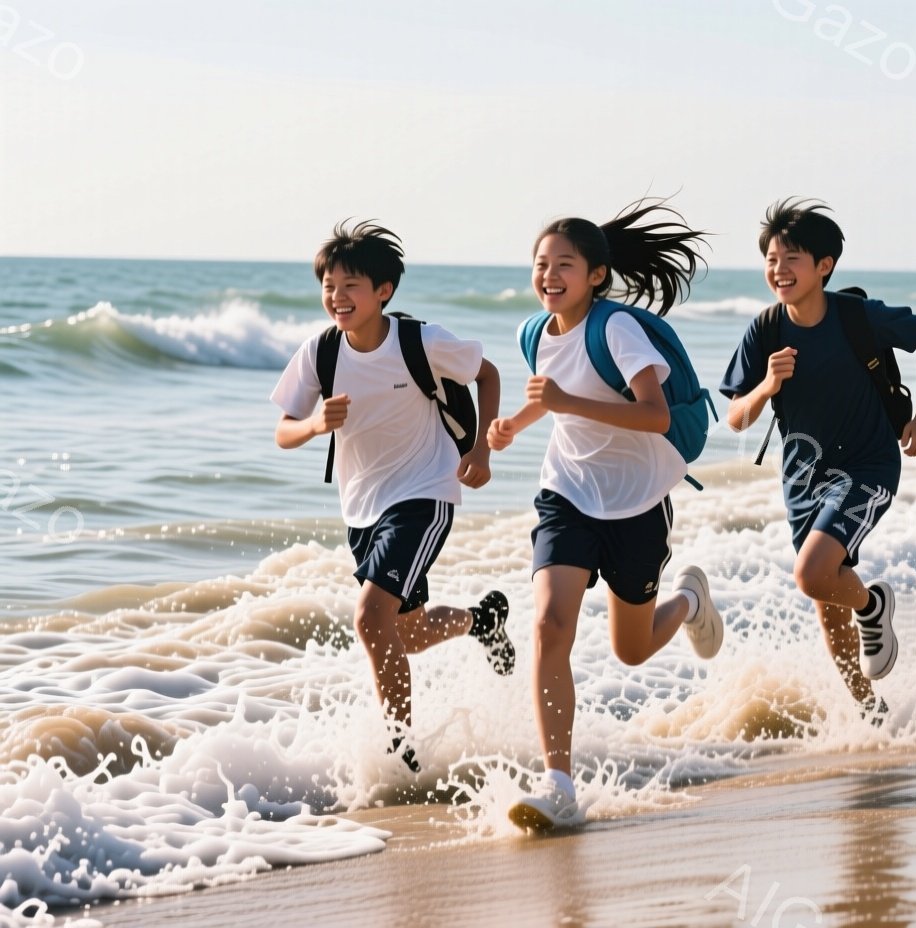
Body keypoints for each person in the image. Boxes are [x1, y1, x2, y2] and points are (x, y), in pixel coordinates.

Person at [487, 200, 726, 832]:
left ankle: (689, 603)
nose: (548, 276)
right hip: (566, 492)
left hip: (638, 500)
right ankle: (558, 783)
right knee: (548, 624)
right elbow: (556, 394)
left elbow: (655, 416)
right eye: (541, 265)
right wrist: (515, 423)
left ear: (595, 275)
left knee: (632, 648)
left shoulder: (617, 330)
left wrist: (563, 401)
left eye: (563, 265)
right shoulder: (534, 333)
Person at [271, 221, 511, 773]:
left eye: (350, 285)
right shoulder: (321, 353)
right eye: (329, 286)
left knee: (369, 618)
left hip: (426, 491)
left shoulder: (419, 342)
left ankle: (402, 751)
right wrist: (312, 425)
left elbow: (488, 373)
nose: (337, 297)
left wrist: (480, 451)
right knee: (410, 632)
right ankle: (483, 622)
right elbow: (283, 430)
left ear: (384, 291)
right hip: (361, 508)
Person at [721, 199, 916, 724]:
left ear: (825, 265)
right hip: (803, 481)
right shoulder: (766, 329)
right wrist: (768, 385)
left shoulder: (856, 316)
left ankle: (872, 607)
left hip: (868, 467)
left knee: (813, 573)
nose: (779, 270)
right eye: (772, 259)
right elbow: (735, 417)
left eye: (792, 258)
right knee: (825, 601)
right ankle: (873, 716)